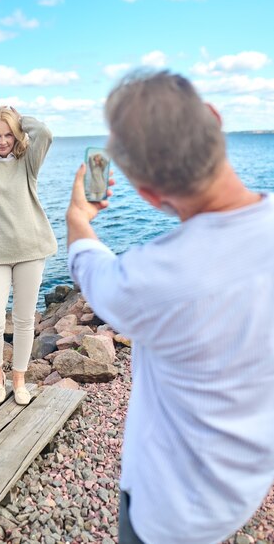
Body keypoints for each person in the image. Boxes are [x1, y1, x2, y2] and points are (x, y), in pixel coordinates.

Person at [66, 71, 274, 544]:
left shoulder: (152, 277)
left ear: (149, 195)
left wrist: (78, 215)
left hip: (169, 513)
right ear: (215, 121)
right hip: (246, 484)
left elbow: (88, 266)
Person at [0, 106, 57, 405]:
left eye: (8, 135)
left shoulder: (28, 163)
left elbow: (45, 134)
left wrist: (20, 119)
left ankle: (19, 378)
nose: (2, 141)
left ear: (16, 135)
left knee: (24, 319)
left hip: (31, 250)